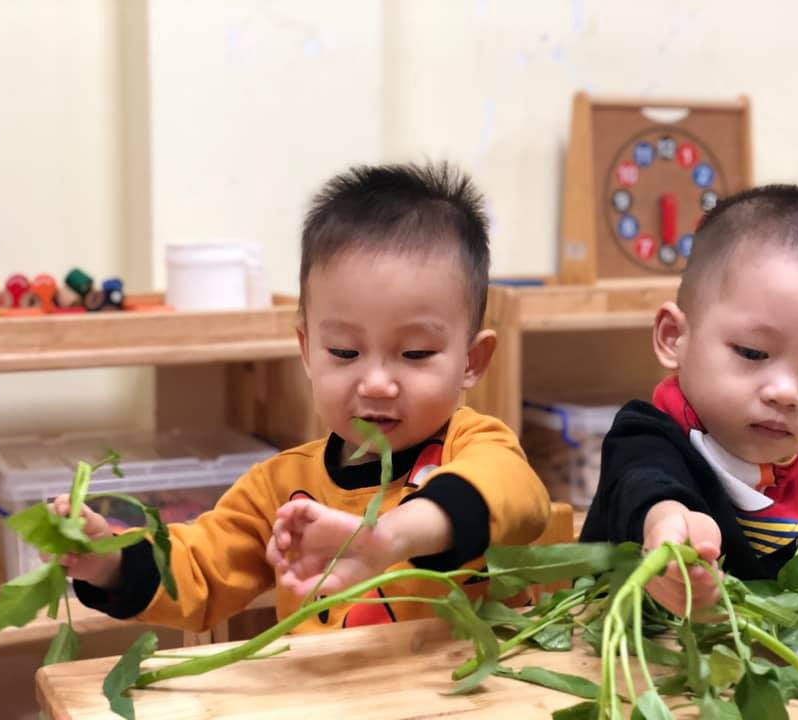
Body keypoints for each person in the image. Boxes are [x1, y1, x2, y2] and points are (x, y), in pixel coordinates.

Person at [50, 162, 551, 634]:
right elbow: (199, 568)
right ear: (307, 352)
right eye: (345, 352)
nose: (376, 383)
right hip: (325, 687)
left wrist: (393, 536)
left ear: (472, 361)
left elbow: (513, 495)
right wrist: (111, 562)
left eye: (415, 353)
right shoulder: (279, 488)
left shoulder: (473, 445)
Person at [581, 184, 798, 616]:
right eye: (753, 353)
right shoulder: (645, 437)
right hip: (632, 645)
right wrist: (671, 531)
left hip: (751, 649)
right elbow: (646, 488)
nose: (787, 393)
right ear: (674, 337)